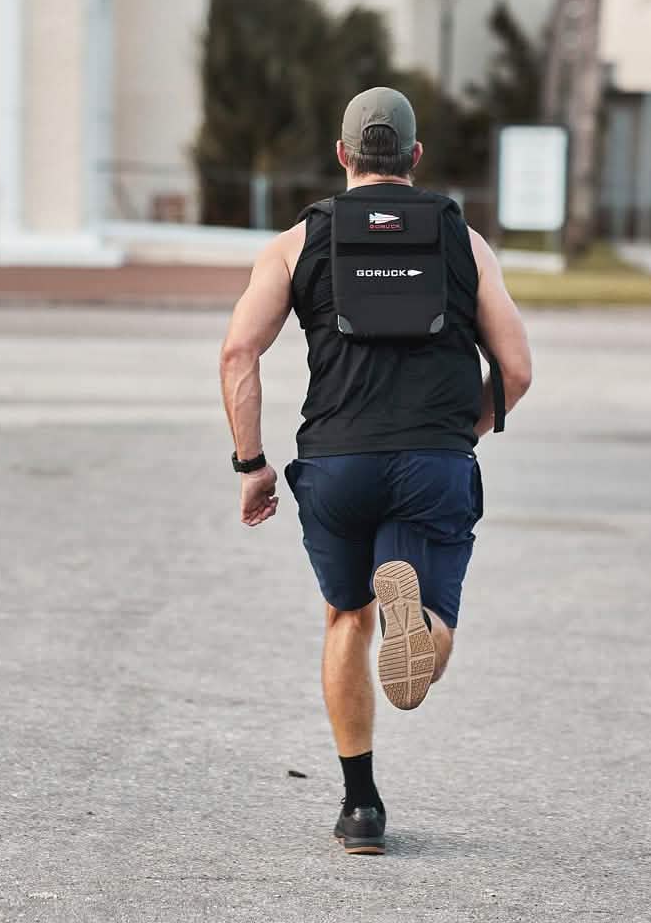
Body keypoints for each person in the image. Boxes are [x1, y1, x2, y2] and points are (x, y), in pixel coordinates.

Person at [219, 87, 532, 856]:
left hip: (336, 462)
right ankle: (417, 625)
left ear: (342, 156)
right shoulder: (466, 241)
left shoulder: (296, 243)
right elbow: (517, 370)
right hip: (432, 458)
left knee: (345, 620)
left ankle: (360, 808)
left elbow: (237, 355)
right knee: (428, 631)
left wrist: (253, 465)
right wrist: (465, 429)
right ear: (416, 159)